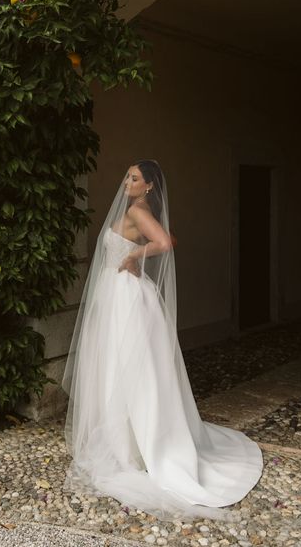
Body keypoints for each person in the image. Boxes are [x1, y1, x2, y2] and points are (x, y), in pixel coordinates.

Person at [61, 159, 263, 522]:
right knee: (119, 366)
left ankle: (136, 445)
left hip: (126, 298)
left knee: (130, 369)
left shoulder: (139, 210)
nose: (127, 181)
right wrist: (134, 253)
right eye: (126, 175)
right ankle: (124, 439)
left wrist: (136, 254)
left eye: (134, 178)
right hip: (117, 294)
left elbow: (166, 242)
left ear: (149, 186)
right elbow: (166, 237)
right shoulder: (141, 208)